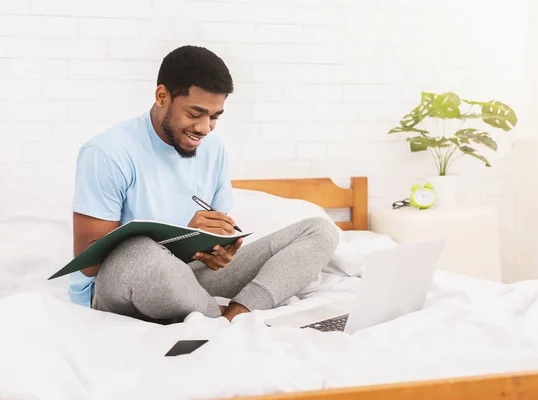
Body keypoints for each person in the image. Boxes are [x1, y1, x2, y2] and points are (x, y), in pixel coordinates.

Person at [69, 45, 339, 323]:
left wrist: (221, 249)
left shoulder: (214, 149)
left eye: (214, 117)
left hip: (190, 278)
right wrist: (181, 238)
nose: (204, 128)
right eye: (195, 113)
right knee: (139, 252)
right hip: (123, 284)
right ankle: (214, 316)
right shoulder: (108, 151)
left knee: (320, 231)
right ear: (162, 96)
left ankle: (238, 313)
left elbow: (217, 232)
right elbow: (90, 265)